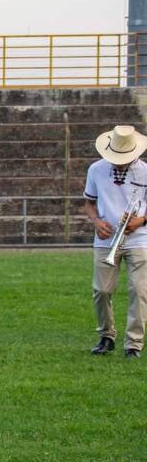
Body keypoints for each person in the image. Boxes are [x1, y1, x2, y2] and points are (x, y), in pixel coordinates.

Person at [84, 125, 147, 358]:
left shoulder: (146, 171)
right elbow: (89, 203)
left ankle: (134, 344)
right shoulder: (96, 170)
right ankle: (106, 336)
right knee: (101, 290)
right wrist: (96, 222)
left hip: (139, 239)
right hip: (105, 240)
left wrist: (140, 221)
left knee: (139, 292)